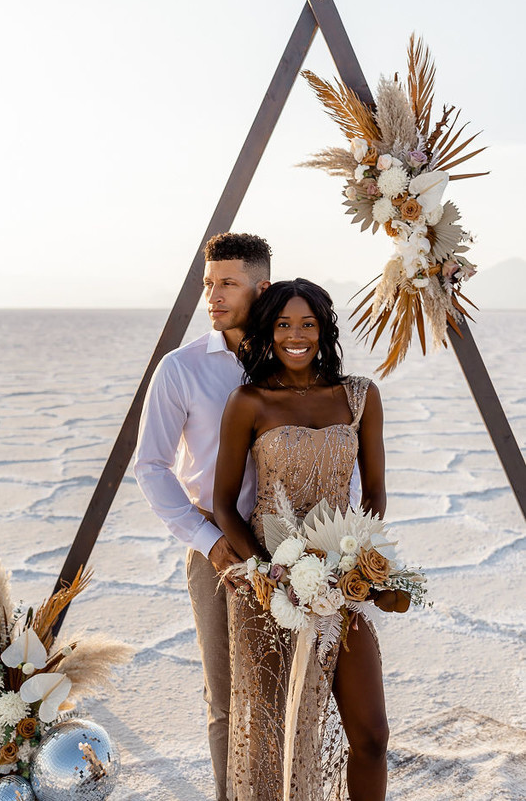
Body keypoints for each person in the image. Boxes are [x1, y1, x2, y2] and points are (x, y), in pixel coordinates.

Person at [213, 278, 389, 801]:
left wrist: (352, 559)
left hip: (343, 583)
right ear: (269, 330)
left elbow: (375, 492)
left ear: (323, 329)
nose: (296, 335)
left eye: (307, 324)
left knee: (373, 735)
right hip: (269, 590)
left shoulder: (358, 397)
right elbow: (225, 503)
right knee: (274, 739)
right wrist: (272, 570)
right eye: (284, 324)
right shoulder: (249, 401)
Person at [134, 232, 272, 801]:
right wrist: (207, 540)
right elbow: (151, 467)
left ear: (260, 289)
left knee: (286, 689)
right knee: (226, 699)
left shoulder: (294, 354)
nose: (212, 296)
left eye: (227, 284)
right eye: (208, 284)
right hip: (216, 551)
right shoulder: (181, 368)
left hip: (296, 552)